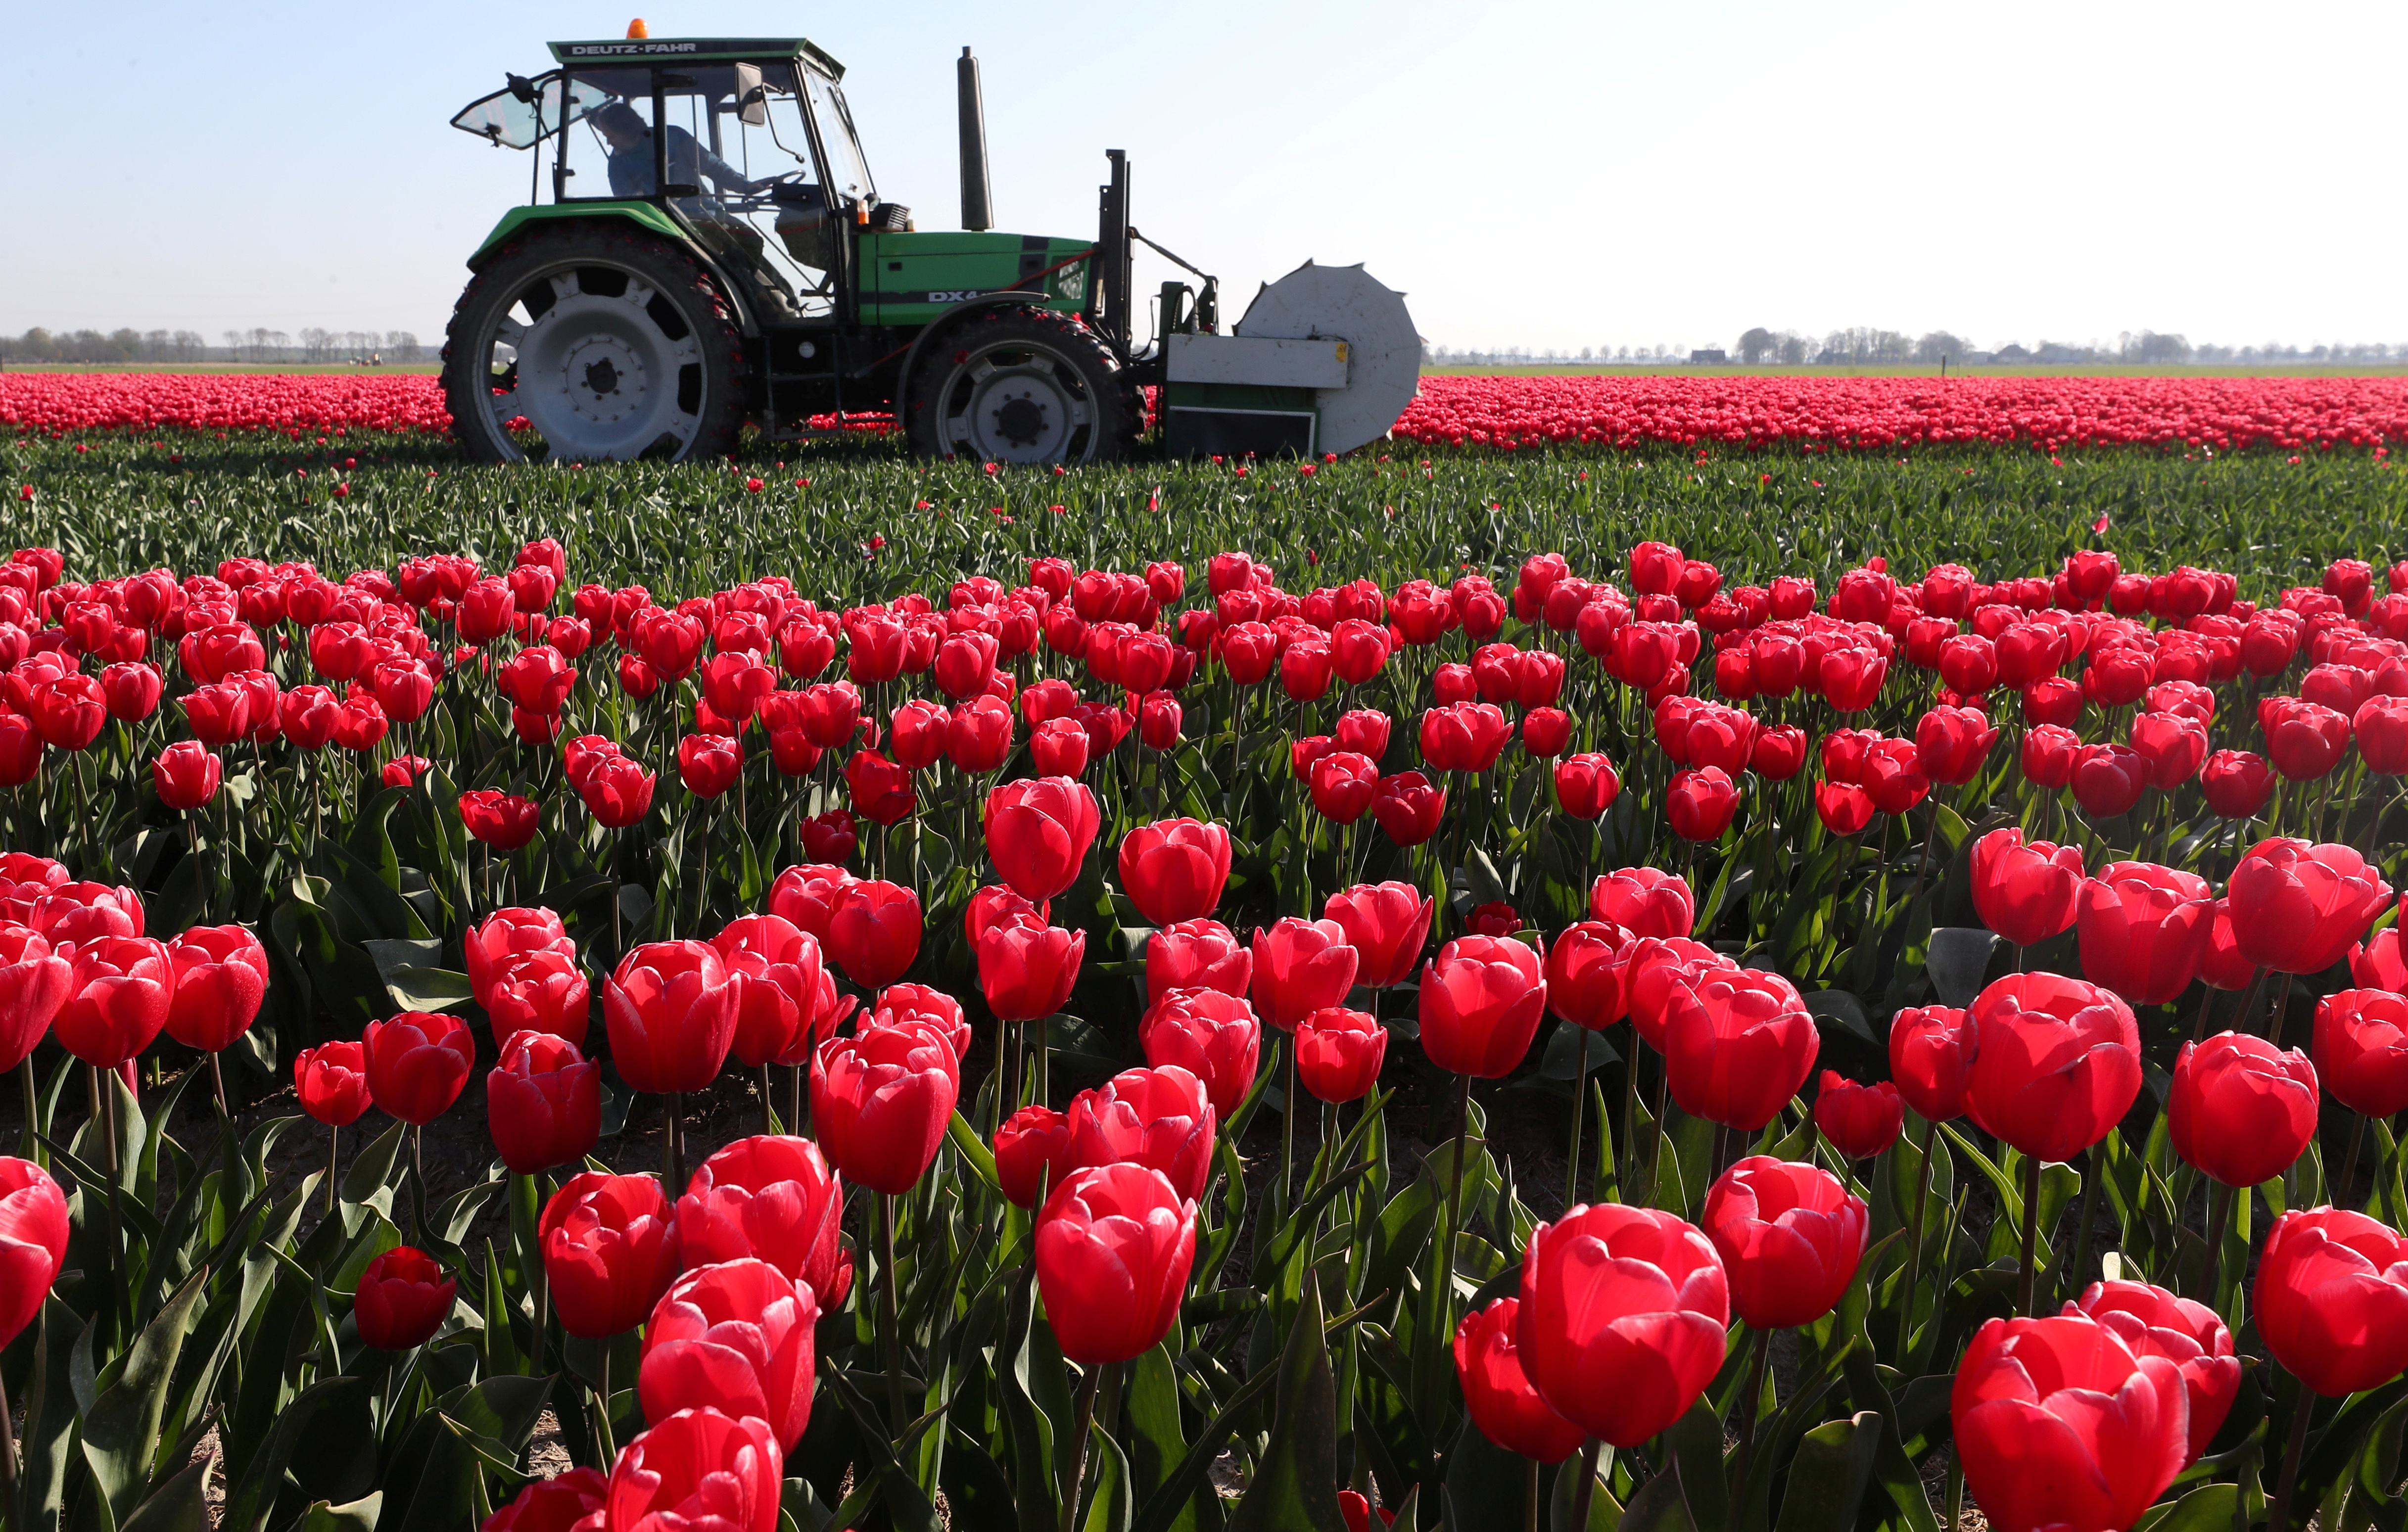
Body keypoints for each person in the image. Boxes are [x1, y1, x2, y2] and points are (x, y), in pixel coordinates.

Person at [590, 100, 763, 200]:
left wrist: (745, 186)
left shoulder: (672, 137)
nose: (608, 143)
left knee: (751, 242)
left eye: (611, 137)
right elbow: (628, 201)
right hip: (663, 226)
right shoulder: (617, 165)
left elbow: (711, 166)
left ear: (626, 129)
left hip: (703, 215)